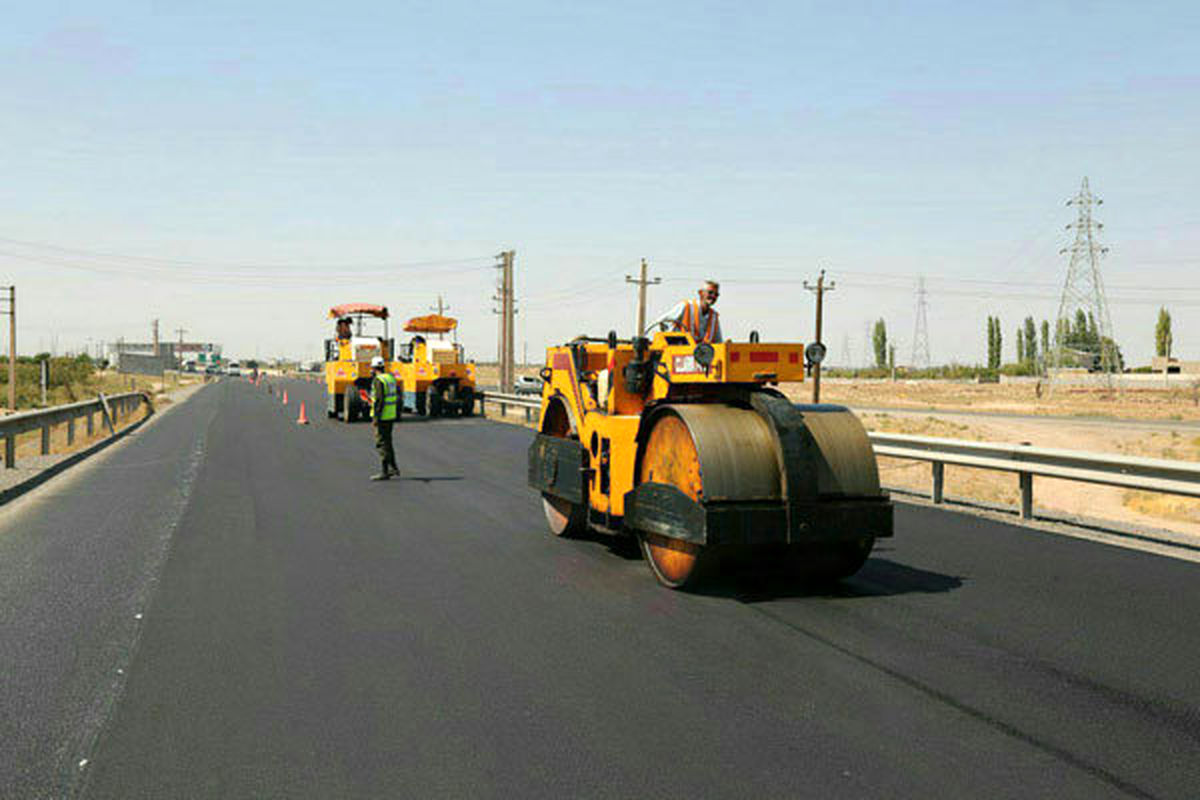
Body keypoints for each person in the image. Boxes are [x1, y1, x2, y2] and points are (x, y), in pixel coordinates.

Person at [647, 279, 722, 343]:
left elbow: (718, 341)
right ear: (700, 293)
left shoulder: (714, 317)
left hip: (702, 356)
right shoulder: (686, 306)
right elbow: (660, 323)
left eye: (716, 294)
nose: (713, 296)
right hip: (679, 353)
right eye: (710, 293)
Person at [369, 356, 400, 481]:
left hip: (382, 416)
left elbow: (380, 400)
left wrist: (376, 417)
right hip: (390, 415)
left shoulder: (378, 380)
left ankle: (385, 471)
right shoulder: (390, 378)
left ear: (374, 368)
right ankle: (393, 468)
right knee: (388, 442)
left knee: (381, 443)